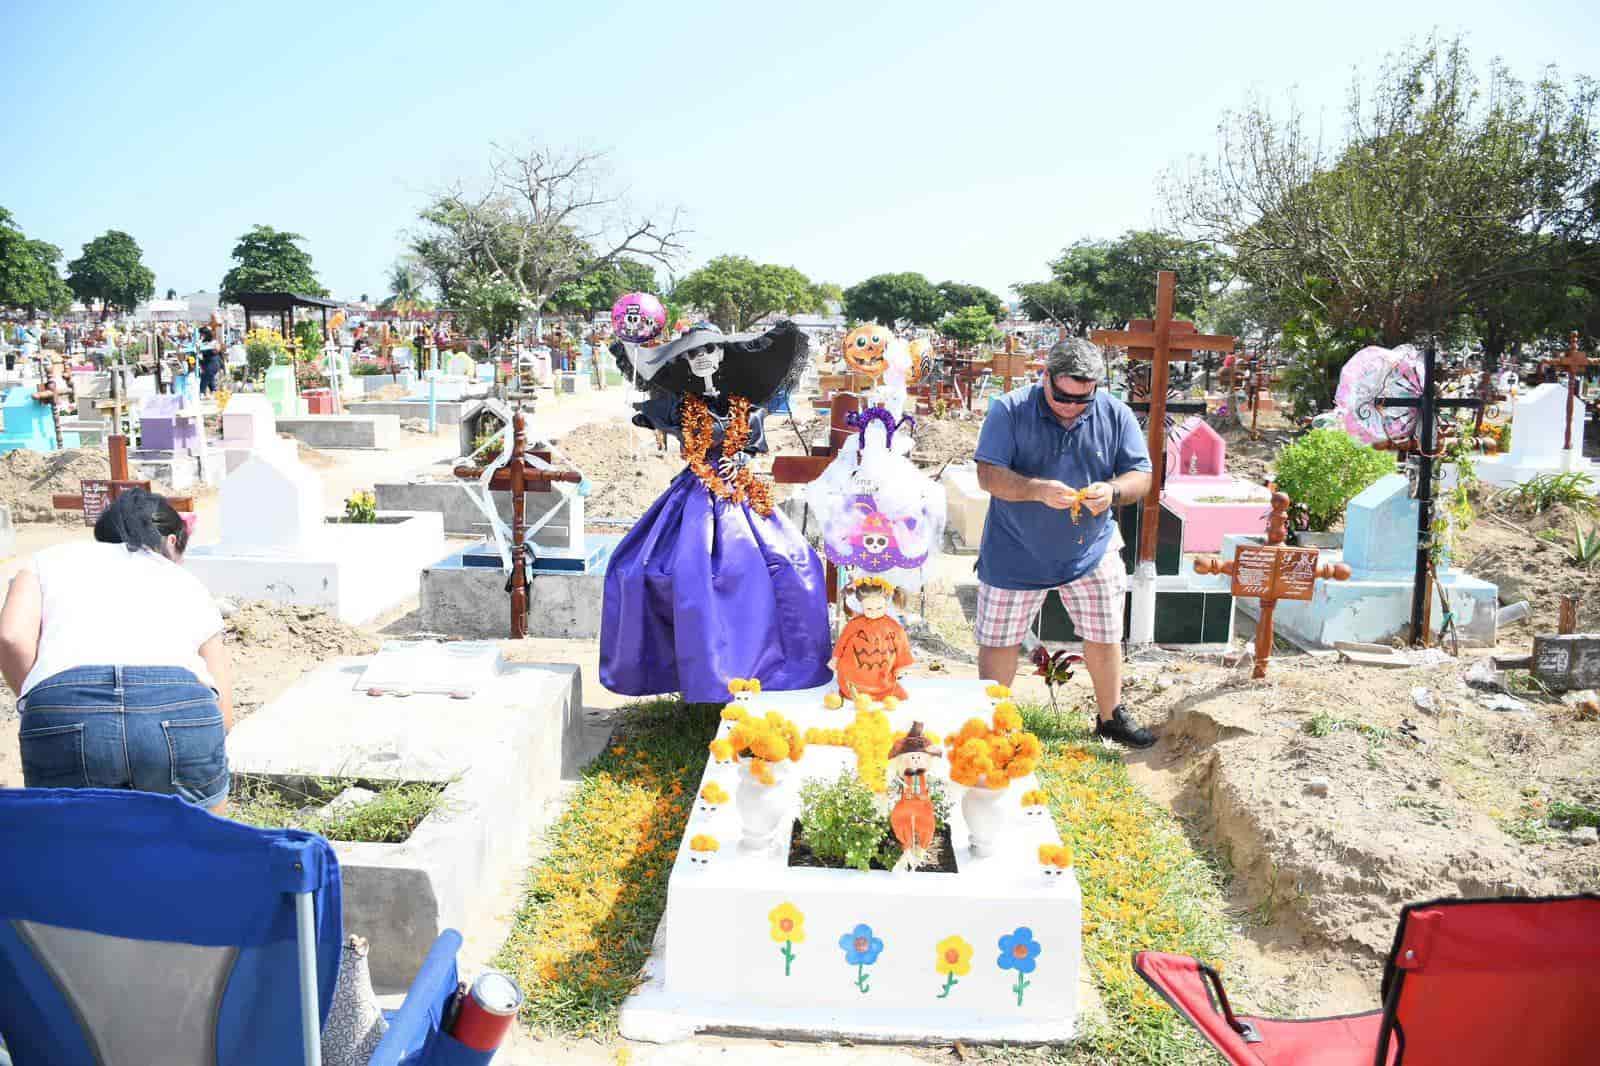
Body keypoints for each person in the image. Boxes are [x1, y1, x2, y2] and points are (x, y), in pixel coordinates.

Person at [972, 338, 1157, 748]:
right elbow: (988, 475)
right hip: (1014, 549)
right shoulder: (1009, 410)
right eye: (1062, 396)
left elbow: (1140, 476)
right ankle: (992, 721)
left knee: (1106, 633)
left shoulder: (1115, 413)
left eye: (1082, 399)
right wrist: (1036, 490)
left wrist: (1112, 491)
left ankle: (1110, 717)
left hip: (1092, 549)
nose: (1072, 406)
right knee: (999, 640)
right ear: (1045, 378)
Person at [0, 489, 233, 809]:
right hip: (180, 704)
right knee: (201, 844)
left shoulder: (46, 560)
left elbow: (10, 637)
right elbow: (223, 707)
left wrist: (45, 696)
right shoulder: (187, 582)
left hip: (64, 706)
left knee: (72, 848)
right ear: (172, 542)